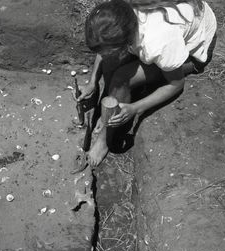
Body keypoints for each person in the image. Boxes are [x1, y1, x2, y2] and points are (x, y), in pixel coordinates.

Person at [75, 0, 216, 167]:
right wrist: (93, 83)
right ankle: (109, 109)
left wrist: (135, 108)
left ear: (126, 42)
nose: (103, 54)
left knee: (122, 77)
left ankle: (106, 139)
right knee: (111, 62)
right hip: (179, 23)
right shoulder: (119, 16)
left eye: (111, 50)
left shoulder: (158, 42)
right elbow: (104, 49)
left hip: (192, 51)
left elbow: (176, 84)